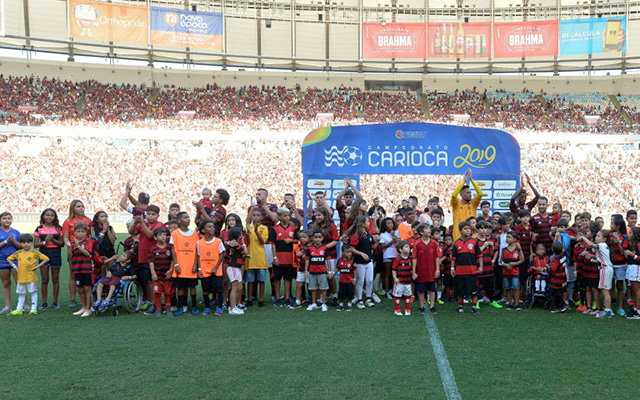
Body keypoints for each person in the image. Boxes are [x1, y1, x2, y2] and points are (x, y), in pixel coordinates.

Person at [129, 204, 165, 315]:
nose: (150, 216)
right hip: (142, 256)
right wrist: (135, 222)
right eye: (148, 214)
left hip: (153, 257)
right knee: (145, 281)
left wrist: (141, 223)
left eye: (153, 214)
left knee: (151, 281)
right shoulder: (143, 224)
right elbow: (131, 231)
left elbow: (150, 235)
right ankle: (150, 301)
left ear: (158, 216)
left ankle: (154, 304)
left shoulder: (159, 225)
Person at [7, 235, 49, 315]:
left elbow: (46, 258)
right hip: (21, 277)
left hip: (31, 277)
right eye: (23, 243)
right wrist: (15, 267)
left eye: (28, 242)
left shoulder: (34, 252)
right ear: (21, 243)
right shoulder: (19, 252)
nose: (26, 244)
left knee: (33, 292)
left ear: (31, 243)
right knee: (21, 294)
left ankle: (33, 309)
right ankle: (19, 309)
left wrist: (37, 266)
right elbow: (9, 258)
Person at [62, 200, 91, 309]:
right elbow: (65, 237)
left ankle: (88, 299)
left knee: (87, 272)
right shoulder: (68, 221)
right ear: (73, 208)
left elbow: (90, 235)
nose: (81, 208)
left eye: (82, 206)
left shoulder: (88, 220)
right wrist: (69, 244)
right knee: (73, 274)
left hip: (86, 249)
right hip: (74, 249)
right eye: (78, 206)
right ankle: (73, 299)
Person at [343, 215, 378, 309]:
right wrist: (361, 254)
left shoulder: (368, 234)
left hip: (369, 261)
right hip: (359, 262)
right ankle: (359, 300)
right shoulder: (356, 235)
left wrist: (378, 242)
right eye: (367, 221)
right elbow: (351, 248)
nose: (369, 223)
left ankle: (368, 299)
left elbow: (372, 247)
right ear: (362, 224)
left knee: (370, 280)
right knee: (360, 281)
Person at [579, 229, 615, 318]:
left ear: (604, 239)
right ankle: (607, 310)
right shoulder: (604, 246)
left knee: (605, 290)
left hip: (605, 269)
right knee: (605, 290)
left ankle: (607, 311)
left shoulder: (601, 245)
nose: (596, 237)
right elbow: (598, 260)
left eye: (599, 236)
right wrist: (590, 258)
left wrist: (583, 237)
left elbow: (590, 244)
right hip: (607, 268)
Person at [33, 208, 63, 310]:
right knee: (45, 280)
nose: (49, 217)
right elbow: (35, 244)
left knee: (55, 279)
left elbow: (62, 244)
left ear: (55, 217)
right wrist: (45, 241)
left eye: (51, 215)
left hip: (56, 254)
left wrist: (53, 240)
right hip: (43, 254)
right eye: (47, 215)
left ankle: (55, 302)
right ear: (43, 216)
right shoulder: (39, 228)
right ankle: (44, 302)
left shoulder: (59, 229)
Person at [171, 211, 200, 316]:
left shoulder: (194, 234)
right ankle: (179, 307)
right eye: (185, 217)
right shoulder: (174, 234)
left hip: (191, 266)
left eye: (188, 217)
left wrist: (195, 264)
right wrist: (176, 264)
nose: (188, 219)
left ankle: (194, 306)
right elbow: (173, 250)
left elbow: (197, 251)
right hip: (180, 266)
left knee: (192, 287)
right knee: (181, 288)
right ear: (179, 220)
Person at [451, 221, 483, 315]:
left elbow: (479, 256)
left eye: (469, 229)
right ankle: (460, 307)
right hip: (460, 271)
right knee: (460, 290)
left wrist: (480, 267)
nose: (468, 230)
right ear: (460, 231)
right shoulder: (456, 243)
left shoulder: (474, 242)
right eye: (465, 229)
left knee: (473, 290)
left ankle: (474, 307)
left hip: (472, 271)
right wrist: (452, 269)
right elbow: (453, 258)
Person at [196, 220, 225, 316]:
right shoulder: (199, 243)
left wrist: (216, 267)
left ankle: (220, 307)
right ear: (203, 230)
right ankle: (207, 307)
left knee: (219, 289)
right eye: (209, 227)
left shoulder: (218, 241)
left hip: (216, 270)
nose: (212, 228)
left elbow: (222, 254)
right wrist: (199, 269)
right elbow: (199, 256)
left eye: (213, 226)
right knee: (205, 290)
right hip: (205, 270)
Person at [312, 207, 339, 304]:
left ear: (325, 216)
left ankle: (334, 295)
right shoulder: (315, 227)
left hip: (330, 254)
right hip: (317, 255)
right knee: (319, 275)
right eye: (316, 215)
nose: (317, 217)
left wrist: (324, 248)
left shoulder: (332, 226)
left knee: (330, 276)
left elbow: (336, 240)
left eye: (319, 215)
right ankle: (319, 298)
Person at [412, 225, 440, 315]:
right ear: (421, 232)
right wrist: (414, 271)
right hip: (421, 271)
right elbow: (414, 258)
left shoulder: (434, 243)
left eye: (429, 228)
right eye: (427, 229)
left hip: (431, 270)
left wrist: (438, 270)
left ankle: (432, 306)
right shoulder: (417, 243)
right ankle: (422, 306)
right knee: (421, 290)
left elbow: (437, 257)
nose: (429, 230)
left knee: (432, 289)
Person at [273, 208, 297, 308]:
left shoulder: (293, 228)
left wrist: (290, 241)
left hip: (289, 258)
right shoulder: (275, 228)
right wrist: (274, 257)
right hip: (279, 257)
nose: (287, 217)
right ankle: (277, 299)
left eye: (288, 215)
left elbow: (297, 240)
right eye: (285, 215)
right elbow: (273, 244)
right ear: (279, 217)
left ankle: (287, 298)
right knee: (277, 278)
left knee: (288, 279)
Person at [69, 222, 95, 317]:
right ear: (75, 232)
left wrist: (78, 246)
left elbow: (88, 254)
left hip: (86, 268)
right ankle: (83, 307)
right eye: (78, 231)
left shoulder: (88, 241)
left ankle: (88, 308)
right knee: (79, 289)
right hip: (77, 268)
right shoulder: (73, 243)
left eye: (83, 231)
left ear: (86, 232)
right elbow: (70, 256)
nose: (80, 233)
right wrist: (69, 247)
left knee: (87, 288)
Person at [245, 209, 269, 308]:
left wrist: (256, 231)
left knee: (261, 280)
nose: (255, 217)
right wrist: (248, 232)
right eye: (254, 215)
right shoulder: (248, 228)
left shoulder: (264, 228)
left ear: (261, 217)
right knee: (250, 281)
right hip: (250, 257)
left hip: (260, 258)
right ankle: (249, 299)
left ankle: (261, 300)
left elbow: (262, 241)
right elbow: (247, 242)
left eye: (258, 215)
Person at [148, 228, 174, 316]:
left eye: (164, 235)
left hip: (167, 275)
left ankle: (168, 308)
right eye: (160, 235)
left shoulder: (170, 247)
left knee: (168, 292)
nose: (163, 236)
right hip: (157, 275)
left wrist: (171, 270)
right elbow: (151, 262)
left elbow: (173, 259)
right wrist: (153, 273)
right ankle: (158, 309)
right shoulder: (153, 249)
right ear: (155, 238)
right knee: (157, 292)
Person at [451, 169, 483, 241]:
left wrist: (471, 180)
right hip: (458, 237)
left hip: (471, 238)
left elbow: (480, 194)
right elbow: (453, 195)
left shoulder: (473, 205)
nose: (470, 195)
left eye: (470, 193)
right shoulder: (456, 204)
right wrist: (463, 182)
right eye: (468, 193)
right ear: (461, 194)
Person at [476, 221, 501, 308]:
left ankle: (492, 301)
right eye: (482, 228)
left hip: (489, 266)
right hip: (480, 266)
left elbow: (490, 253)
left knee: (490, 285)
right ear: (477, 230)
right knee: (479, 285)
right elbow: (476, 253)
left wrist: (491, 248)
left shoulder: (489, 240)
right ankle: (476, 301)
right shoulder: (475, 241)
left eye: (485, 228)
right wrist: (484, 246)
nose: (484, 230)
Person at [304, 230, 331, 312]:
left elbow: (328, 260)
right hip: (312, 271)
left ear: (322, 238)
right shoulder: (310, 248)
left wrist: (329, 271)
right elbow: (307, 260)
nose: (317, 239)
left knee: (323, 288)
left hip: (322, 272)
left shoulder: (325, 248)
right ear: (312, 238)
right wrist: (306, 271)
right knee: (313, 288)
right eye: (316, 237)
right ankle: (314, 303)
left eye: (319, 237)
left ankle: (323, 304)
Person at [499, 231, 524, 311]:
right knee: (508, 288)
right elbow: (501, 260)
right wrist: (505, 264)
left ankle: (517, 304)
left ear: (514, 239)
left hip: (515, 272)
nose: (507, 239)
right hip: (506, 272)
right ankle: (510, 303)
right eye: (506, 237)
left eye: (509, 237)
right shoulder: (504, 250)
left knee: (516, 287)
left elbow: (522, 260)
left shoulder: (518, 250)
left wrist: (515, 263)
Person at [609, 215, 629, 316]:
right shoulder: (609, 235)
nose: (610, 225)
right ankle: (609, 307)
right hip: (610, 265)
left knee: (620, 286)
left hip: (620, 265)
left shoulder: (625, 237)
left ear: (618, 226)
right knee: (610, 286)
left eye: (612, 223)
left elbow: (623, 252)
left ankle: (620, 307)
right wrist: (612, 241)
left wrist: (618, 243)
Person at [226, 227, 249, 315]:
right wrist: (243, 243)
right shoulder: (236, 244)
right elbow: (245, 252)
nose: (242, 235)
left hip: (236, 267)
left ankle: (234, 306)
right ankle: (232, 308)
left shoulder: (235, 244)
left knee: (239, 287)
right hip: (233, 267)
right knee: (235, 288)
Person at [92, 211, 116, 278]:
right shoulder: (94, 229)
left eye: (106, 216)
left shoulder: (110, 228)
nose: (104, 218)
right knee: (101, 274)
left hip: (110, 251)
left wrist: (107, 229)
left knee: (111, 273)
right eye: (102, 216)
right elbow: (96, 242)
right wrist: (104, 230)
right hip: (99, 252)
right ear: (97, 219)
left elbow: (113, 241)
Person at [379, 217, 399, 299]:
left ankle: (393, 290)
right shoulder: (383, 235)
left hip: (396, 255)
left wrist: (394, 236)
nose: (391, 225)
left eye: (391, 223)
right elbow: (382, 246)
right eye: (388, 223)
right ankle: (387, 291)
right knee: (387, 273)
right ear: (385, 225)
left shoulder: (396, 232)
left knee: (394, 274)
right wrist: (392, 241)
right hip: (387, 256)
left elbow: (399, 244)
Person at [393, 240, 414, 316]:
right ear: (400, 250)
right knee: (398, 296)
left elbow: (411, 268)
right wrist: (395, 278)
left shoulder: (410, 258)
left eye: (408, 246)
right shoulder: (398, 259)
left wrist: (413, 274)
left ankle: (407, 309)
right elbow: (394, 269)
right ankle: (397, 309)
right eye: (406, 247)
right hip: (400, 282)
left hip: (408, 281)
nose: (409, 248)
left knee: (407, 295)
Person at [624, 227, 640, 319]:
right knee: (633, 289)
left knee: (637, 290)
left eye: (630, 233)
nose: (628, 235)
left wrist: (632, 255)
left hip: (637, 267)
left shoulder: (638, 244)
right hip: (631, 267)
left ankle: (638, 310)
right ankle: (635, 308)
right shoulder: (631, 244)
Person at [292, 230, 311, 309]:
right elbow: (301, 256)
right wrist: (299, 255)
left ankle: (316, 301)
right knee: (299, 284)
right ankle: (298, 301)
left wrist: (307, 256)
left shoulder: (312, 247)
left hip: (311, 270)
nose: (302, 239)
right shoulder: (302, 246)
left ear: (310, 238)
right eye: (300, 237)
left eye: (304, 237)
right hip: (301, 268)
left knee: (313, 286)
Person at [549, 242, 570, 313]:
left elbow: (553, 269)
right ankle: (558, 307)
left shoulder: (555, 258)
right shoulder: (562, 255)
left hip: (556, 279)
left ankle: (564, 305)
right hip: (563, 277)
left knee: (554, 293)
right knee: (560, 291)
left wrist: (547, 266)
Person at [336, 245, 356, 312]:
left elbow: (354, 270)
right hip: (342, 281)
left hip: (349, 281)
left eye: (350, 252)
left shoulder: (352, 261)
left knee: (350, 293)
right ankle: (341, 305)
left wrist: (354, 278)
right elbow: (337, 268)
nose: (349, 253)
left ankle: (349, 305)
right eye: (347, 252)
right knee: (341, 293)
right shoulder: (340, 261)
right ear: (343, 253)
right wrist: (332, 273)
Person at [439, 233, 455, 303]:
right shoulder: (444, 250)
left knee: (453, 284)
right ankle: (447, 296)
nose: (448, 241)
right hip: (446, 270)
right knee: (447, 284)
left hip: (453, 270)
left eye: (449, 240)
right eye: (446, 240)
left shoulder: (455, 249)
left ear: (452, 240)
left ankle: (453, 296)